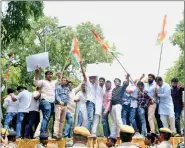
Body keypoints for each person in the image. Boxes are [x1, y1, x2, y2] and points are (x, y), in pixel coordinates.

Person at [34, 68, 61, 136]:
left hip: (52, 102)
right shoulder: (43, 81)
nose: (50, 75)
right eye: (48, 74)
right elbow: (36, 83)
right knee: (46, 118)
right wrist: (37, 73)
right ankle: (42, 134)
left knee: (48, 118)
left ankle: (44, 133)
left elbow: (59, 80)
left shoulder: (53, 82)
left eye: (51, 74)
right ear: (45, 75)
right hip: (45, 101)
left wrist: (59, 75)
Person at [109, 74, 130, 139]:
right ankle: (113, 135)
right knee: (114, 122)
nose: (116, 82)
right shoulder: (113, 90)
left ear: (120, 82)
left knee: (118, 119)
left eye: (117, 81)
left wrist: (127, 77)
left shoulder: (121, 88)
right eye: (115, 81)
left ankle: (122, 132)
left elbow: (126, 83)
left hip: (118, 105)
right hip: (113, 106)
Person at [79, 61, 97, 131]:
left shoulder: (94, 85)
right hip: (89, 101)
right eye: (91, 78)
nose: (93, 79)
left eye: (94, 78)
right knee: (90, 118)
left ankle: (88, 131)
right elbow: (84, 75)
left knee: (91, 118)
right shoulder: (87, 83)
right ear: (89, 78)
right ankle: (87, 132)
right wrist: (81, 65)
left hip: (93, 103)